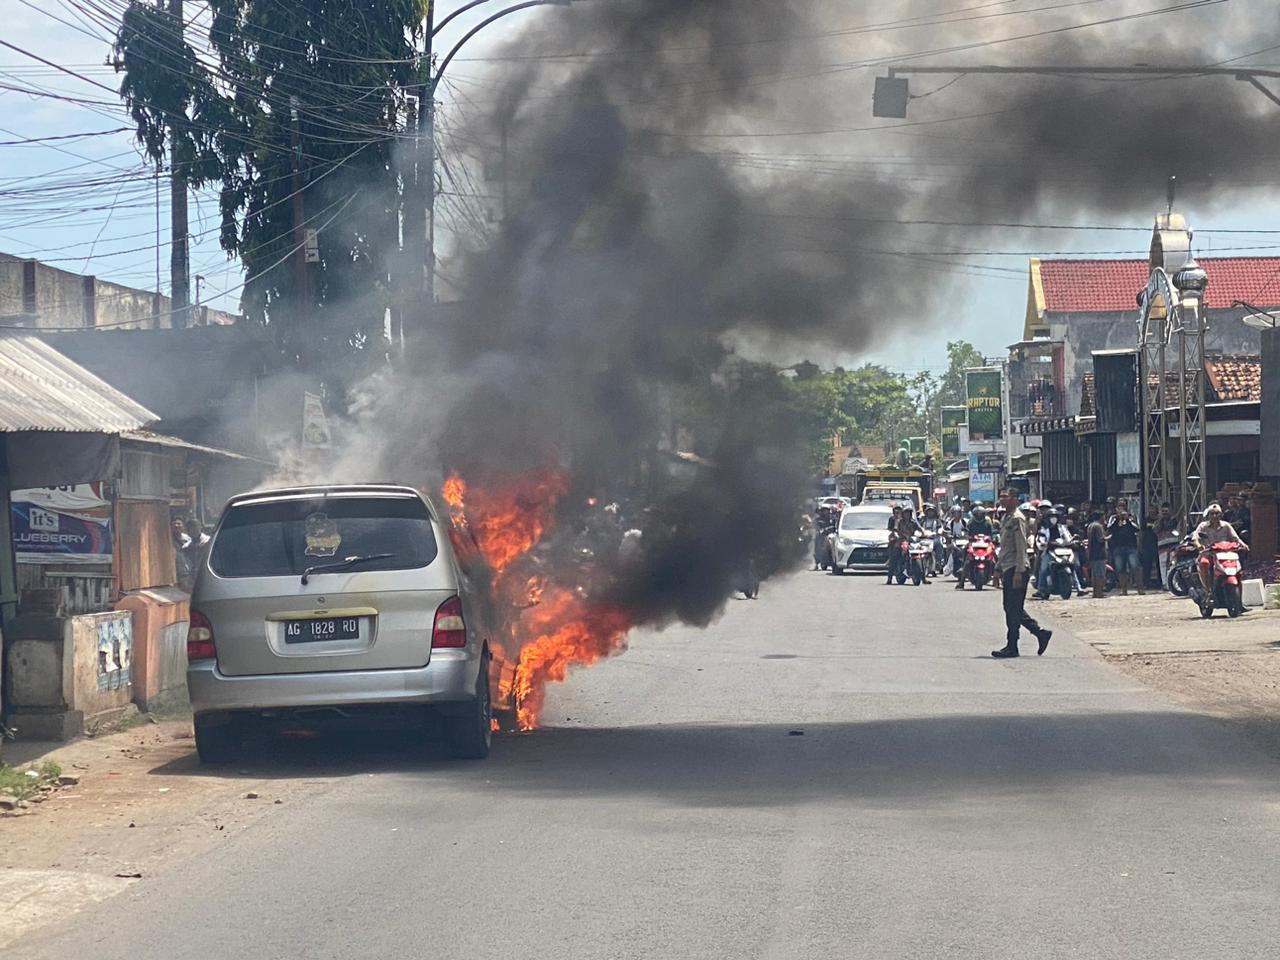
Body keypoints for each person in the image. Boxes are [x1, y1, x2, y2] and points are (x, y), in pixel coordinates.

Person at [992, 488, 1052, 658]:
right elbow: (1004, 548)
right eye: (1001, 496)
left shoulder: (1017, 518)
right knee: (1011, 607)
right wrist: (997, 569)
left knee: (1013, 608)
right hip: (1007, 566)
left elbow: (1021, 547)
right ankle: (1039, 633)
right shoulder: (1006, 517)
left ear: (1015, 499)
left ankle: (1013, 645)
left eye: (1006, 497)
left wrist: (1019, 571)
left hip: (1016, 568)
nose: (1002, 499)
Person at [1192, 503, 1247, 594]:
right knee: (1204, 563)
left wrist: (1243, 545)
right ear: (1208, 515)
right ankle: (1208, 590)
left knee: (1238, 569)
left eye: (1217, 513)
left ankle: (1240, 600)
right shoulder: (1203, 526)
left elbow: (1236, 538)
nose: (1214, 516)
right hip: (1209, 554)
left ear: (1221, 515)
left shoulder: (1226, 526)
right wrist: (1199, 545)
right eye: (1212, 513)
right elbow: (1195, 537)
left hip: (1226, 555)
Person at [1107, 503, 1143, 595]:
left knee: (1135, 567)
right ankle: (1124, 590)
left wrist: (1128, 520)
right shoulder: (1113, 518)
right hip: (1117, 547)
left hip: (1131, 547)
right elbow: (1109, 528)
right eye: (1119, 509)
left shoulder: (1131, 518)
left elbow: (1137, 528)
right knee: (1120, 569)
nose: (1121, 511)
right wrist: (1117, 520)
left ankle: (1140, 589)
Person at [887, 506, 922, 585]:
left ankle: (923, 578)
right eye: (906, 513)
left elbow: (920, 529)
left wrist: (924, 533)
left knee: (921, 553)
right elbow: (895, 530)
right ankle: (889, 577)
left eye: (909, 513)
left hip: (912, 542)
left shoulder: (914, 522)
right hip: (901, 541)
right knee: (894, 556)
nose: (907, 515)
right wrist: (897, 536)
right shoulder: (899, 522)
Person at [1085, 510, 1108, 598]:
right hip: (1100, 553)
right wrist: (1108, 537)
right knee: (1100, 574)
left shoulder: (1090, 525)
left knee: (1094, 574)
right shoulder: (1098, 526)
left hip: (1092, 553)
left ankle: (1095, 593)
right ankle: (1099, 593)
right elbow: (1101, 539)